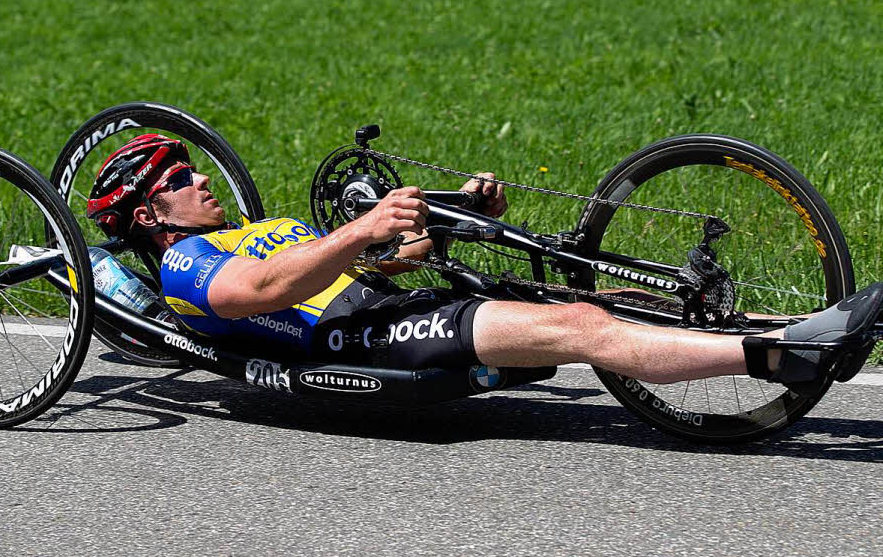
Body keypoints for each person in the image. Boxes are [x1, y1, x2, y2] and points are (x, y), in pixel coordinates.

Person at [86, 134, 883, 395]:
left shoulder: (255, 226)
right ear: (152, 214)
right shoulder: (185, 263)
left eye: (193, 170)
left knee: (595, 296)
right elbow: (254, 293)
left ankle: (804, 332)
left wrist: (455, 218)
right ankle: (781, 357)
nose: (199, 181)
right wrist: (360, 228)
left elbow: (379, 263)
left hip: (379, 308)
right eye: (179, 181)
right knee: (583, 325)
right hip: (354, 343)